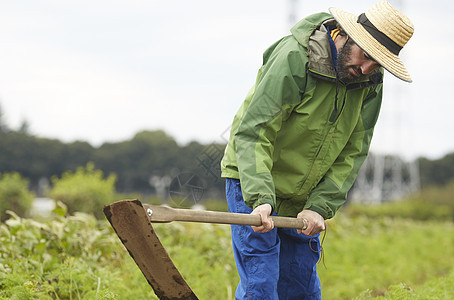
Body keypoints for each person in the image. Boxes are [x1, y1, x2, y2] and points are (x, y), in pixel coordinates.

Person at [220, 1, 414, 299]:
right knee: (262, 284)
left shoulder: (370, 80)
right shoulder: (295, 58)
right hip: (254, 180)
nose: (366, 69)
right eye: (366, 56)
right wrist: (260, 197)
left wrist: (320, 205)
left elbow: (353, 151)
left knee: (300, 287)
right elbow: (255, 131)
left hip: (305, 196)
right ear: (348, 35)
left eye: (378, 63)